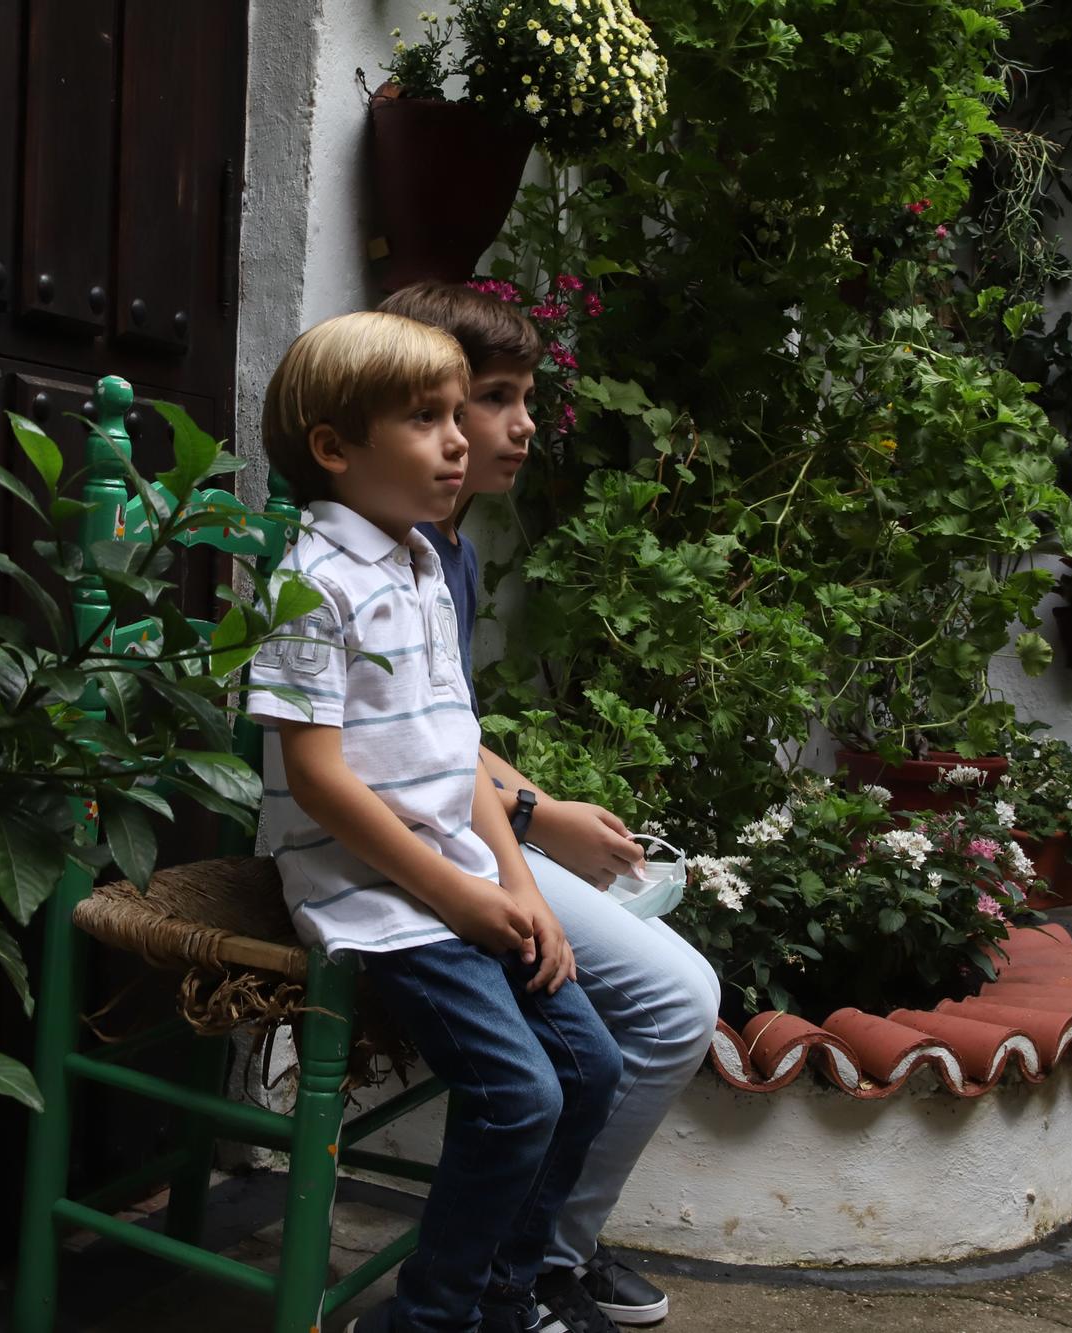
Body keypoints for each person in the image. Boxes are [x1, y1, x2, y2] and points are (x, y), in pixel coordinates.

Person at [249, 311, 624, 1333]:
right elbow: (318, 780)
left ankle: (502, 1296)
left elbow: (458, 752)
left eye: (458, 413)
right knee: (521, 1097)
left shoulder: (419, 564)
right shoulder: (307, 581)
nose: (460, 437)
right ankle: (427, 1317)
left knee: (589, 1067)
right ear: (335, 448)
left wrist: (512, 882)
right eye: (427, 418)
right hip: (376, 893)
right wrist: (460, 895)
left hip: (456, 876)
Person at [378, 281, 724, 1329]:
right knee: (673, 1000)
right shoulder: (377, 555)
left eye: (520, 397)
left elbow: (449, 731)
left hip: (472, 830)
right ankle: (531, 1268)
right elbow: (377, 758)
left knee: (653, 996)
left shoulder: (454, 551)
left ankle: (533, 1260)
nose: (517, 425)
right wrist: (531, 822)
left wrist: (543, 811)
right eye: (490, 397)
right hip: (414, 851)